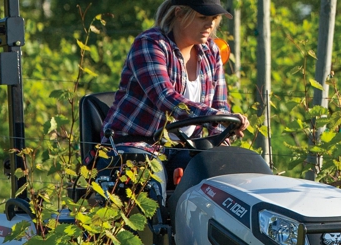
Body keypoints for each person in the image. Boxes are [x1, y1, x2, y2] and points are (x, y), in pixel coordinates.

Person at [99, 0, 249, 183]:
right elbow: (165, 97)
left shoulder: (212, 51)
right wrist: (216, 115)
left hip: (185, 147)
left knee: (228, 174)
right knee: (152, 180)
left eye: (214, 18)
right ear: (179, 13)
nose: (210, 24)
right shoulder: (150, 44)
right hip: (136, 145)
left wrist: (222, 139)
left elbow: (220, 106)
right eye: (202, 17)